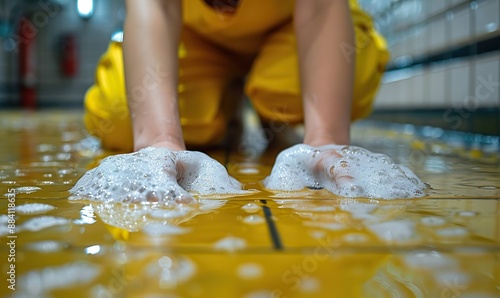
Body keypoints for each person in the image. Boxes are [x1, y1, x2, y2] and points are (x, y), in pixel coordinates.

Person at [83, 0, 389, 182]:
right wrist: (159, 140)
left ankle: (265, 104)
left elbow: (321, 10)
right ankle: (228, 99)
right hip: (195, 31)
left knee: (323, 82)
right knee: (120, 115)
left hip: (292, 21)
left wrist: (325, 140)